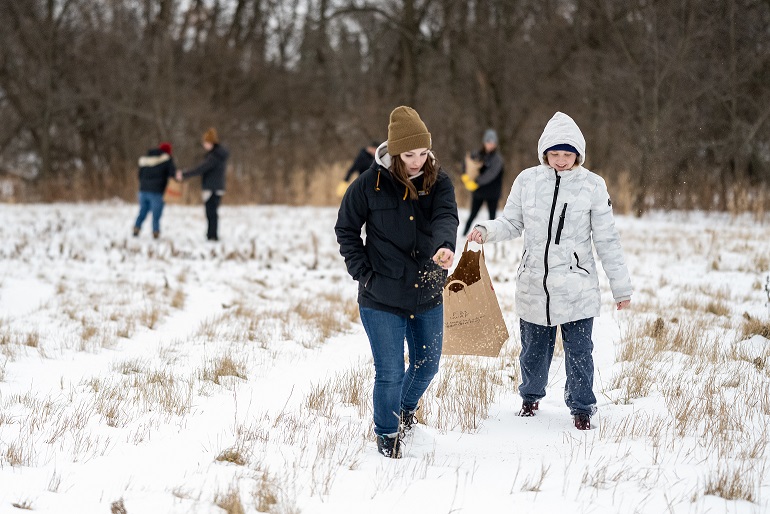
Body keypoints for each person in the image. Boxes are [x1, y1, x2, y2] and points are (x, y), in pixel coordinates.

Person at [467, 112, 632, 430]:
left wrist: (621, 289)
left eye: (567, 154)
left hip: (576, 286)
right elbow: (512, 223)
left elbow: (607, 239)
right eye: (554, 153)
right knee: (532, 352)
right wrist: (486, 230)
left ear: (579, 154)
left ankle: (582, 407)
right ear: (544, 152)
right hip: (534, 286)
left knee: (580, 352)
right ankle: (530, 397)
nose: (560, 160)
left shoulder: (592, 186)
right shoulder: (527, 181)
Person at [335, 106, 459, 458]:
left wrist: (445, 246)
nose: (417, 161)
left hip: (427, 287)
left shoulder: (440, 181)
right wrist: (363, 272)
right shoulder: (369, 184)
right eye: (409, 154)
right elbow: (346, 228)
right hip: (381, 294)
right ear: (393, 151)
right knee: (389, 371)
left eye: (423, 152)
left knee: (428, 364)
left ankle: (405, 409)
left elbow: (445, 216)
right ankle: (387, 436)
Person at [178, 128, 229, 241]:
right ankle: (211, 234)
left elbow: (201, 169)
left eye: (205, 142)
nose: (204, 145)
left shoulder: (214, 157)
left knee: (211, 212)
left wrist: (185, 174)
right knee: (212, 212)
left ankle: (212, 235)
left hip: (212, 188)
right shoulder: (218, 155)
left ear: (211, 142)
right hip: (217, 187)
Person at [461, 129, 504, 235]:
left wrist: (476, 182)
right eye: (488, 142)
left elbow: (491, 174)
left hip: (492, 193)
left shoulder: (497, 159)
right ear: (484, 142)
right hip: (479, 192)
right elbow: (466, 163)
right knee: (472, 214)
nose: (490, 145)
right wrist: (465, 176)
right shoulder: (477, 154)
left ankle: (492, 237)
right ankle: (463, 234)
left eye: (493, 142)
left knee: (492, 217)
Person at [133, 141, 176, 239]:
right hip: (157, 191)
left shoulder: (145, 159)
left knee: (142, 211)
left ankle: (137, 227)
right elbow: (172, 174)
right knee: (156, 214)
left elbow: (139, 175)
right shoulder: (167, 160)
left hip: (143, 190)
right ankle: (155, 231)